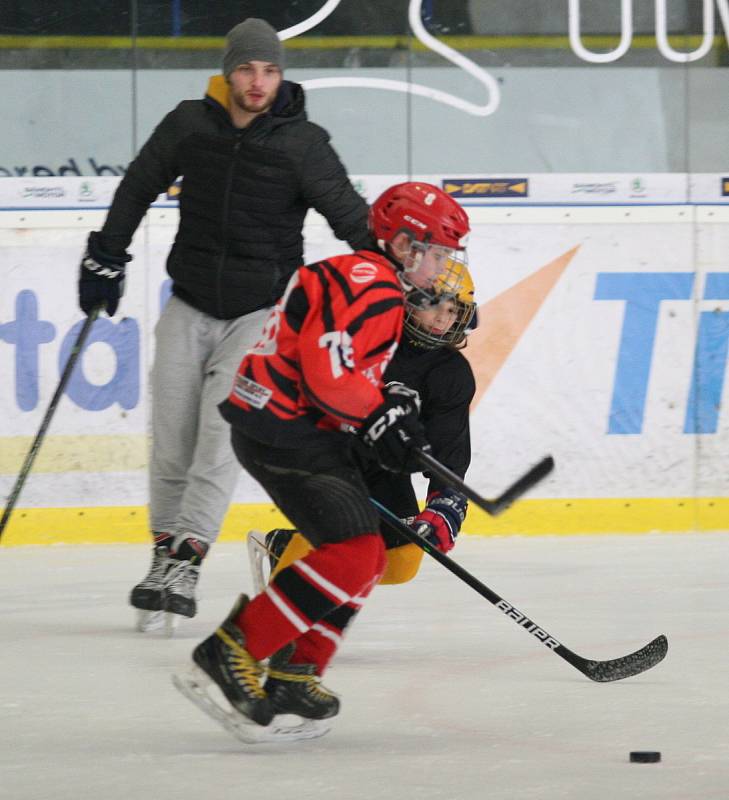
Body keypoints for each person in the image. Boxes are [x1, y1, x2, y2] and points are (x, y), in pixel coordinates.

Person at [76, 18, 371, 631]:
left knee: (217, 433)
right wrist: (107, 251)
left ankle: (189, 557)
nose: (257, 82)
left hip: (260, 315)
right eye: (246, 69)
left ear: (281, 76)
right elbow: (138, 184)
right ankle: (162, 554)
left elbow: (352, 219)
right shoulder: (190, 123)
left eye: (269, 71)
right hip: (188, 302)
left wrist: (398, 279)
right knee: (172, 433)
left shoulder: (302, 143)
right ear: (227, 71)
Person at [173, 181, 471, 743]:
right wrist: (381, 416)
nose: (440, 267)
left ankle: (295, 672)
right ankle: (232, 650)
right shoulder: (378, 291)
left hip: (283, 427)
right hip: (284, 433)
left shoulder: (354, 273)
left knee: (370, 555)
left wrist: (380, 421)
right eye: (435, 252)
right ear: (405, 245)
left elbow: (337, 371)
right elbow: (326, 372)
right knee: (357, 554)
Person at [249, 262, 478, 590]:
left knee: (401, 564)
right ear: (408, 299)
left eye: (454, 308)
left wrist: (446, 500)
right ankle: (282, 605)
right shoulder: (365, 334)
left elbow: (449, 447)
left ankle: (284, 549)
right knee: (344, 541)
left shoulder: (451, 373)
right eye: (434, 303)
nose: (444, 317)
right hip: (324, 449)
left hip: (381, 463)